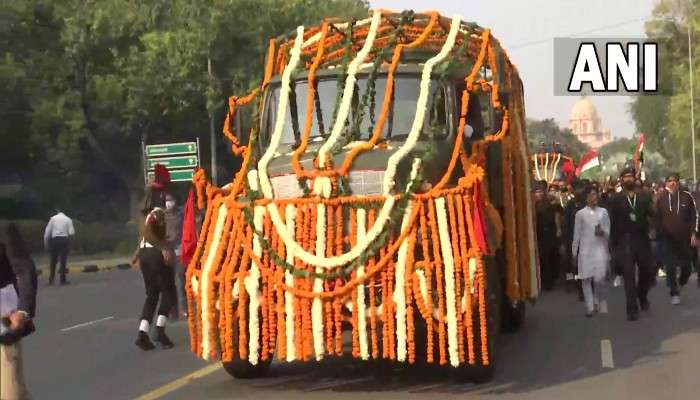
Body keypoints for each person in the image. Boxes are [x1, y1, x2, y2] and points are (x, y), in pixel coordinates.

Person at [608, 167, 655, 321]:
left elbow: (653, 214)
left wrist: (654, 228)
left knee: (647, 271)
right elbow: (611, 222)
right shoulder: (615, 199)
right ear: (621, 179)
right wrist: (612, 245)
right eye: (625, 177)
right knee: (628, 276)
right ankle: (631, 309)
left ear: (635, 179)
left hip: (642, 239)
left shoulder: (644, 197)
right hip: (624, 241)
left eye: (631, 176)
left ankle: (642, 295)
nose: (628, 179)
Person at [0, 223, 38, 400]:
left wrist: (23, 311)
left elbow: (24, 269)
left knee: (10, 393)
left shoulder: (4, 229)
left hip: (4, 322)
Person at [131, 208, 176, 350]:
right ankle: (160, 330)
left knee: (152, 295)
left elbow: (145, 234)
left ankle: (142, 333)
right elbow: (152, 229)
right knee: (169, 293)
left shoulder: (146, 214)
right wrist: (163, 248)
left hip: (145, 254)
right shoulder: (157, 212)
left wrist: (137, 253)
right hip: (155, 255)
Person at [654, 173, 699, 305]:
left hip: (685, 239)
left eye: (675, 181)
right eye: (669, 181)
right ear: (666, 183)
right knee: (671, 267)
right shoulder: (661, 199)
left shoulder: (687, 197)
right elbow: (657, 219)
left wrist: (695, 233)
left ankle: (681, 282)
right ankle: (674, 292)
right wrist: (656, 232)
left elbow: (694, 217)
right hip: (668, 239)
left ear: (678, 183)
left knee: (686, 268)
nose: (672, 183)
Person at [572, 186, 611, 317]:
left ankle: (596, 301)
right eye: (591, 195)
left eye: (595, 194)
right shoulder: (580, 214)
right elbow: (576, 235)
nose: (594, 197)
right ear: (586, 198)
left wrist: (603, 232)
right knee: (586, 279)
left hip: (600, 250)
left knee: (598, 278)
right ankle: (590, 306)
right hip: (585, 250)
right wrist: (574, 252)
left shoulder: (603, 212)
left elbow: (608, 231)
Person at [534, 180, 562, 291]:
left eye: (540, 191)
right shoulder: (532, 204)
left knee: (552, 256)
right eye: (537, 191)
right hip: (539, 235)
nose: (539, 194)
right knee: (542, 259)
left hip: (550, 233)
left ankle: (551, 279)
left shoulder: (551, 201)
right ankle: (545, 281)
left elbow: (557, 214)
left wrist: (558, 229)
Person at [164, 194, 186, 319]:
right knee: (169, 282)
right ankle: (173, 310)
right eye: (166, 201)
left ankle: (185, 307)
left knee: (182, 279)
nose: (168, 203)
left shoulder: (180, 215)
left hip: (179, 250)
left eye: (170, 200)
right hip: (168, 251)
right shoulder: (163, 216)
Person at [43, 208, 75, 285]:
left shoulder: (53, 219)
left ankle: (51, 279)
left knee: (53, 260)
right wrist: (70, 244)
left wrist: (46, 243)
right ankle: (62, 280)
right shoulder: (68, 219)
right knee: (63, 261)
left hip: (55, 240)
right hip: (64, 240)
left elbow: (47, 232)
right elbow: (71, 233)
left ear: (58, 211)